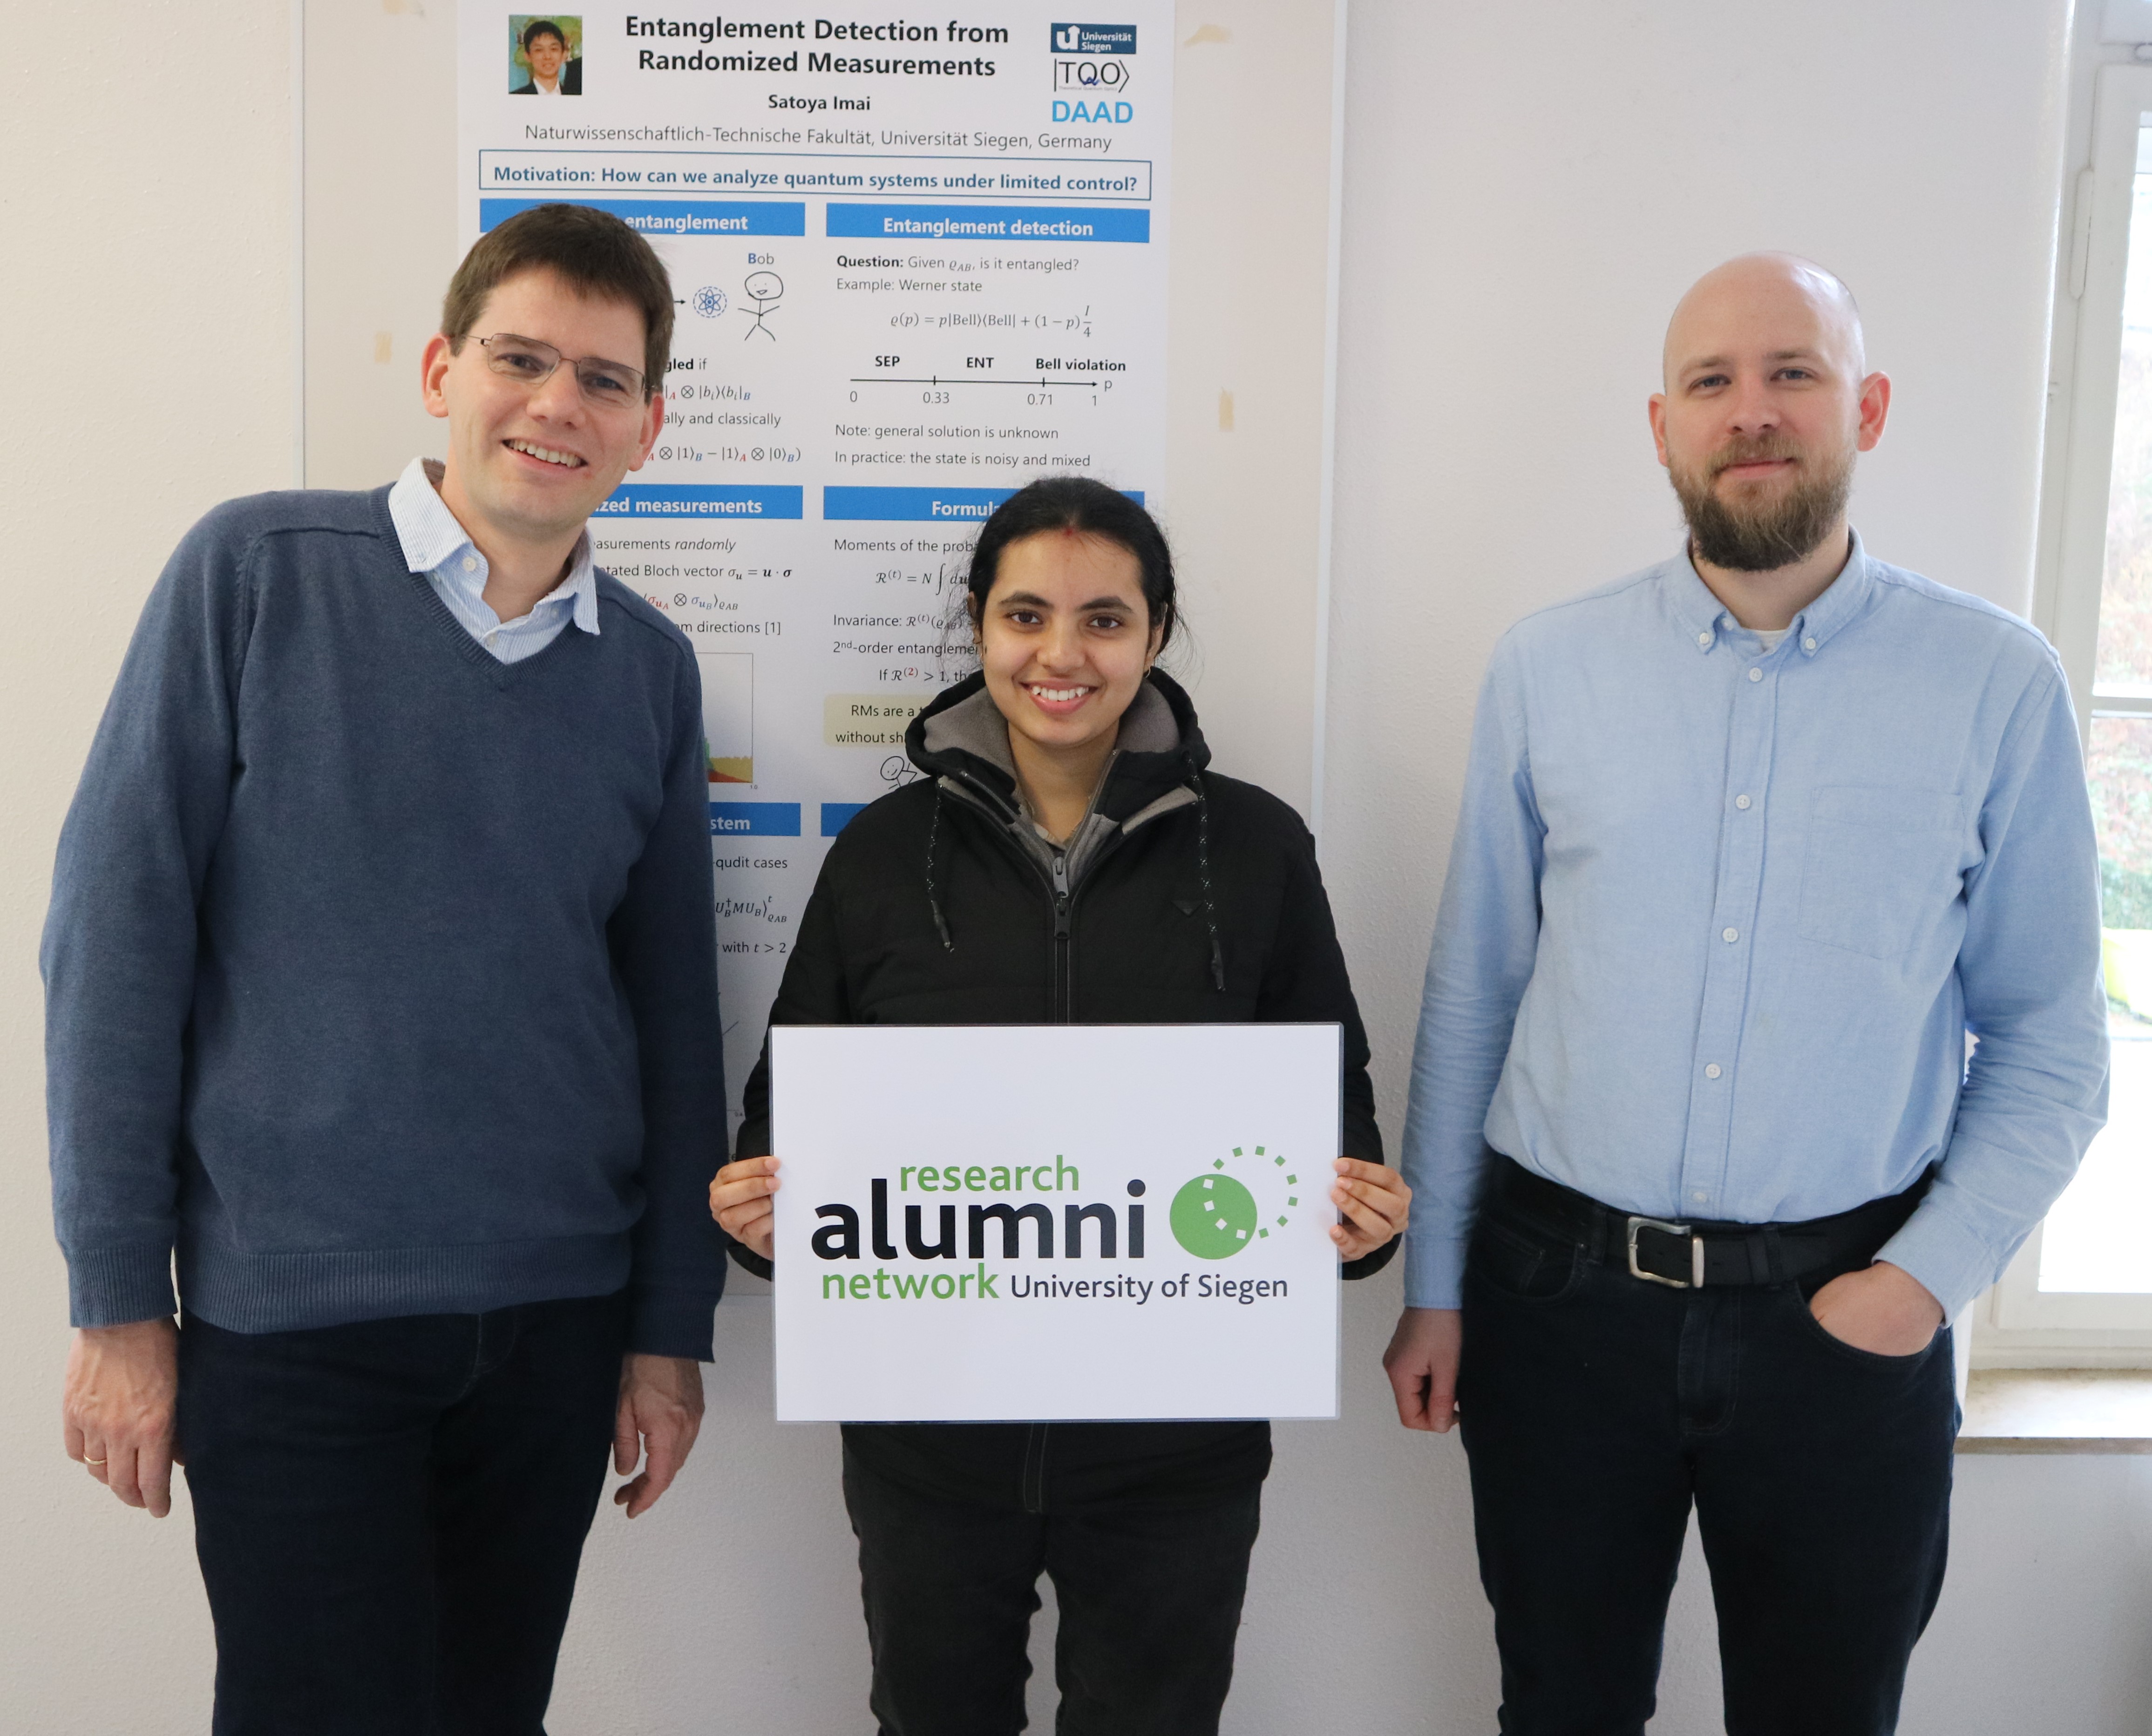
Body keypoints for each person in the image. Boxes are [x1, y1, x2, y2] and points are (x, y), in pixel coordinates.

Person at [1381, 251, 2111, 1736]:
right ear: (1662, 426)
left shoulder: (1994, 684)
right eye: (1710, 382)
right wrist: (1434, 1285)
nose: (1751, 410)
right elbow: (1472, 999)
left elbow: (2049, 1037)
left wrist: (1922, 1282)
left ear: (1868, 408)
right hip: (1560, 1315)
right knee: (1559, 1711)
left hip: (1844, 1315)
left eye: (1793, 373)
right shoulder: (1546, 669)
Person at [44, 202, 727, 1735]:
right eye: (520, 358)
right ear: (440, 370)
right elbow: (112, 947)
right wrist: (117, 1302)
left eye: (603, 379)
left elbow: (675, 1015)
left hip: (555, 1324)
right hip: (292, 1324)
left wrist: (667, 1326)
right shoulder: (256, 571)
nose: (557, 404)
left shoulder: (650, 670)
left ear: (647, 426)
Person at [711, 477, 1412, 1736]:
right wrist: (757, 1209)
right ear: (980, 626)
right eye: (1025, 615)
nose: (1060, 654)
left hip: (1175, 1451)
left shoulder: (1257, 850)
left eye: (1103, 619)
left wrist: (1360, 1220)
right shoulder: (881, 856)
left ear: (1154, 633)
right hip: (928, 1441)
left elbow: (1333, 1125)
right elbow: (787, 1121)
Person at [511, 19, 582, 95]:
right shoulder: (515, 97)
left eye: (554, 49)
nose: (548, 56)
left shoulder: (577, 96)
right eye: (539, 50)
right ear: (528, 56)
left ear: (564, 55)